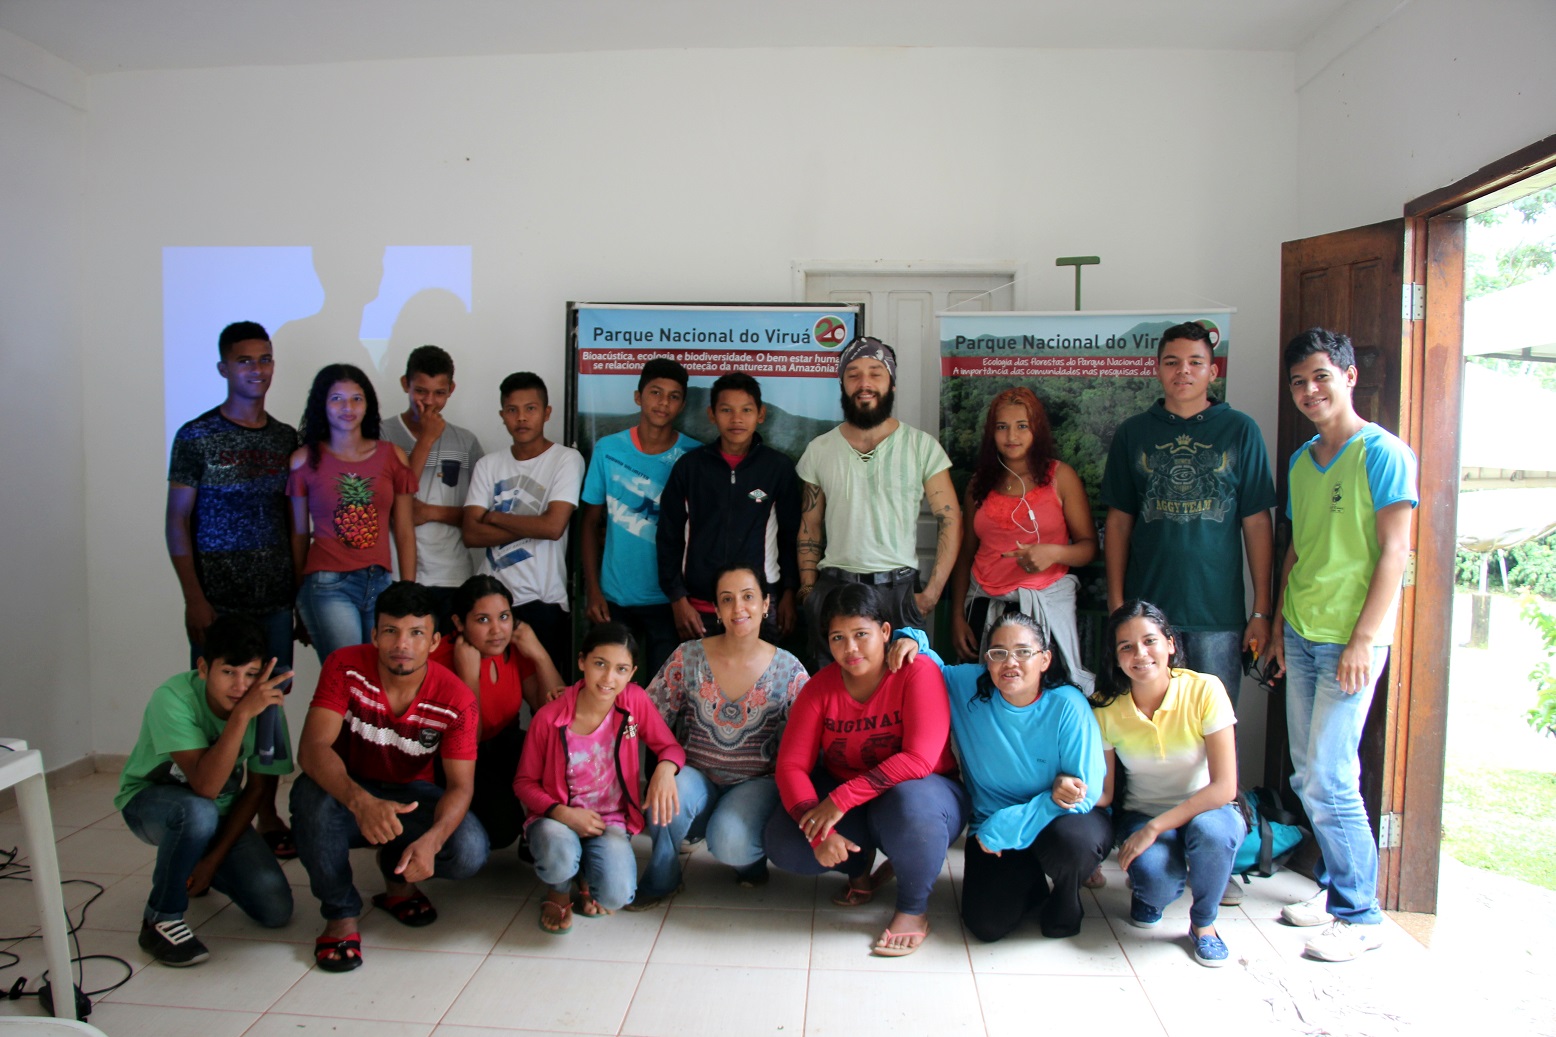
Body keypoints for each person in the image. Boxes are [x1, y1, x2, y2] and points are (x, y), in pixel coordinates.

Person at [1269, 327, 1417, 963]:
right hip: (1301, 633)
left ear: (1350, 376)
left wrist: (1364, 639)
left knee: (1331, 776)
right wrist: (1277, 625)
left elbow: (1395, 551)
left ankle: (1361, 915)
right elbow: (1297, 550)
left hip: (1350, 643)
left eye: (1321, 377)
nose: (1309, 391)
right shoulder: (1303, 461)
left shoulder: (1382, 454)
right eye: (1299, 381)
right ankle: (1333, 892)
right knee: (1309, 773)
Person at [290, 581, 489, 972]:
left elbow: (461, 785)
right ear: (374, 635)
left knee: (468, 849)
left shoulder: (457, 699)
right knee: (308, 800)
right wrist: (361, 802)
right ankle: (341, 914)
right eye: (391, 631)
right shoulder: (344, 665)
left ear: (434, 642)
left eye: (416, 633)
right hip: (348, 787)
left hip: (411, 795)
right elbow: (312, 750)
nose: (403, 644)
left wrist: (431, 841)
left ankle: (396, 879)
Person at [763, 583, 967, 957]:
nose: (850, 648)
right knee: (784, 841)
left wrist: (840, 799)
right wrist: (815, 832)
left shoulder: (915, 670)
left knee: (912, 811)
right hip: (856, 795)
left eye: (861, 634)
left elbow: (920, 759)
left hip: (923, 792)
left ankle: (912, 908)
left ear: (886, 632)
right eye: (838, 638)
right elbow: (791, 765)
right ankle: (858, 870)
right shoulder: (819, 689)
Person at [885, 613, 1110, 942]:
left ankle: (1066, 901)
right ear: (987, 660)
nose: (1010, 663)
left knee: (1074, 843)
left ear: (1045, 659)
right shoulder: (968, 687)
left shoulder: (1067, 705)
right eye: (999, 653)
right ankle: (1030, 883)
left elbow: (1085, 793)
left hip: (1054, 819)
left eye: (1023, 652)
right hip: (993, 825)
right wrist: (909, 637)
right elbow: (927, 662)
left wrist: (1011, 824)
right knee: (986, 925)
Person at [165, 320, 299, 858]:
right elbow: (177, 522)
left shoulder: (286, 439)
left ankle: (264, 811)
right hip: (216, 603)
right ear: (223, 368)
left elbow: (297, 525)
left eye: (265, 359)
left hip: (273, 601)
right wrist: (193, 598)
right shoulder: (195, 436)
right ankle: (214, 812)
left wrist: (299, 596)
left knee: (269, 707)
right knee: (216, 705)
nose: (257, 370)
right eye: (245, 361)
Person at [1101, 321, 1276, 708]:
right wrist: (1117, 604)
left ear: (1213, 372)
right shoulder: (1133, 433)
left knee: (1215, 732)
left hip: (1219, 617)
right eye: (1172, 362)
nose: (1184, 371)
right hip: (1145, 619)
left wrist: (1261, 610)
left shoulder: (1240, 431)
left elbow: (1258, 523)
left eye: (1195, 362)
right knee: (1150, 730)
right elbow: (1117, 523)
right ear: (1157, 368)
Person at [116, 616, 295, 966]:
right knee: (197, 811)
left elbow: (257, 790)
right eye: (228, 672)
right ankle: (161, 918)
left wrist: (212, 862)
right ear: (203, 668)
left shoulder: (267, 708)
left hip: (220, 816)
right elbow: (206, 787)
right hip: (149, 804)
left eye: (251, 674)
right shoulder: (172, 698)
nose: (240, 686)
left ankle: (194, 861)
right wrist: (242, 716)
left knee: (276, 909)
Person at [631, 565, 809, 908]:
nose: (738, 608)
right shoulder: (689, 656)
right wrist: (611, 731)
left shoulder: (789, 669)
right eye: (727, 599)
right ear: (716, 608)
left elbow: (812, 735)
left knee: (729, 840)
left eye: (748, 597)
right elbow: (643, 716)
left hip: (757, 782)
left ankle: (749, 860)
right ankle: (663, 876)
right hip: (696, 774)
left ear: (766, 603)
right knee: (665, 797)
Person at [1091, 600, 1244, 968]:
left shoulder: (1205, 689)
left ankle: (1204, 925)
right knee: (1155, 882)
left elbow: (1225, 787)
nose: (1139, 654)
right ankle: (1150, 892)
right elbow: (1108, 792)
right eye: (1126, 646)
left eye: (1149, 641)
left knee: (1211, 833)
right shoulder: (1105, 706)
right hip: (1142, 814)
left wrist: (1156, 828)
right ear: (1115, 657)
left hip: (1207, 809)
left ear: (1171, 644)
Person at [796, 337, 961, 666]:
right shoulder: (820, 449)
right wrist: (809, 592)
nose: (865, 383)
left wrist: (932, 594)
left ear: (892, 384)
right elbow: (809, 527)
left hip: (898, 594)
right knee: (834, 695)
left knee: (901, 691)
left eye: (876, 373)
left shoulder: (920, 447)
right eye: (853, 374)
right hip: (834, 591)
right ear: (842, 384)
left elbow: (951, 518)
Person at [515, 623, 686, 933]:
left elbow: (670, 747)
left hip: (611, 820)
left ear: (632, 673)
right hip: (557, 818)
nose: (609, 678)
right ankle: (558, 888)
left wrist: (664, 768)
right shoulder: (550, 717)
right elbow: (524, 783)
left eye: (621, 669)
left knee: (617, 894)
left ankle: (585, 877)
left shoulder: (631, 704)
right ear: (582, 662)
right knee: (559, 850)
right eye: (600, 665)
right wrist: (562, 812)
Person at [949, 386, 1098, 694]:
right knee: (984, 695)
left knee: (1047, 696)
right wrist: (956, 617)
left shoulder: (1061, 477)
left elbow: (1088, 547)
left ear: (1037, 430)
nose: (1011, 436)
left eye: (1022, 426)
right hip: (984, 605)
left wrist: (1053, 553)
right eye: (1002, 427)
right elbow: (966, 554)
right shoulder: (979, 484)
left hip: (1043, 609)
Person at [658, 372, 802, 645]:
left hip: (760, 604)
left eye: (746, 410)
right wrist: (678, 599)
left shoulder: (777, 468)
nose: (736, 419)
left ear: (761, 414)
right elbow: (668, 537)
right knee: (701, 686)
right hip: (699, 606)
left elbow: (791, 536)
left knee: (760, 685)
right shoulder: (690, 468)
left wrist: (789, 593)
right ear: (712, 414)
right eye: (726, 410)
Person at [287, 364, 417, 664]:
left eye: (356, 398)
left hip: (381, 583)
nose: (348, 407)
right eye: (337, 399)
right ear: (322, 404)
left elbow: (405, 530)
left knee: (379, 679)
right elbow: (297, 534)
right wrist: (295, 597)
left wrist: (409, 592)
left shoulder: (392, 455)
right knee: (349, 676)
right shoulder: (304, 460)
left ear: (368, 403)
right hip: (327, 584)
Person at [580, 358, 698, 679]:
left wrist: (684, 599)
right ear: (638, 397)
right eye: (655, 392)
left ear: (683, 404)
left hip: (669, 601)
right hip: (614, 599)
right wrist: (593, 590)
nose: (663, 402)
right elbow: (589, 523)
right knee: (608, 690)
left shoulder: (694, 457)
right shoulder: (608, 449)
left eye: (673, 396)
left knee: (662, 698)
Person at [463, 372, 586, 678]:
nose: (521, 418)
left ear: (547, 412)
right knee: (490, 695)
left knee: (546, 698)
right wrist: (534, 523)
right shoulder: (488, 465)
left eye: (530, 408)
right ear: (503, 415)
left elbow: (553, 528)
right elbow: (470, 533)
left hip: (542, 601)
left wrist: (493, 516)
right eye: (512, 410)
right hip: (490, 602)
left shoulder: (566, 460)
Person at [429, 574, 565, 849]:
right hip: (457, 761)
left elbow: (557, 714)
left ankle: (540, 835)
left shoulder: (512, 648)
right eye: (483, 620)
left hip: (501, 744)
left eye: (504, 617)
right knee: (502, 830)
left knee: (557, 747)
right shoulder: (439, 660)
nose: (497, 630)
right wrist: (469, 677)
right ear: (458, 623)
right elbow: (469, 739)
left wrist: (538, 653)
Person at [381, 345, 484, 634]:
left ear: (451, 389)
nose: (429, 401)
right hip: (395, 575)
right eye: (420, 391)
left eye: (439, 392)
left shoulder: (466, 442)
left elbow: (479, 514)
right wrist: (426, 439)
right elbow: (389, 501)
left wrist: (429, 512)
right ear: (405, 384)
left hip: (451, 576)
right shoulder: (381, 434)